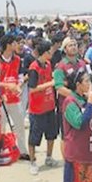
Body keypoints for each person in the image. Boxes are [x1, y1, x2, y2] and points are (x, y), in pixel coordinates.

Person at [61, 68, 92, 182]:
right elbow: (79, 123)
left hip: (89, 151)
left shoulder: (84, 98)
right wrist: (90, 103)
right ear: (78, 85)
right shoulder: (70, 102)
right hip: (77, 154)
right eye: (86, 81)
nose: (89, 84)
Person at [27, 40, 59, 175]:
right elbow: (32, 89)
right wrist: (50, 83)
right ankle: (33, 161)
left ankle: (49, 157)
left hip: (50, 105)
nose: (51, 53)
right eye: (49, 51)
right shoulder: (33, 68)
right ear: (44, 53)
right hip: (37, 108)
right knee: (34, 137)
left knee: (51, 134)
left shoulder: (48, 64)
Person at [0, 35, 29, 161]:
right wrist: (5, 88)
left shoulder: (17, 60)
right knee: (1, 126)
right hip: (1, 100)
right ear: (8, 45)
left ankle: (22, 151)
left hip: (15, 98)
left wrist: (19, 85)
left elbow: (20, 75)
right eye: (15, 42)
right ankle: (1, 150)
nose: (18, 45)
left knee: (20, 125)